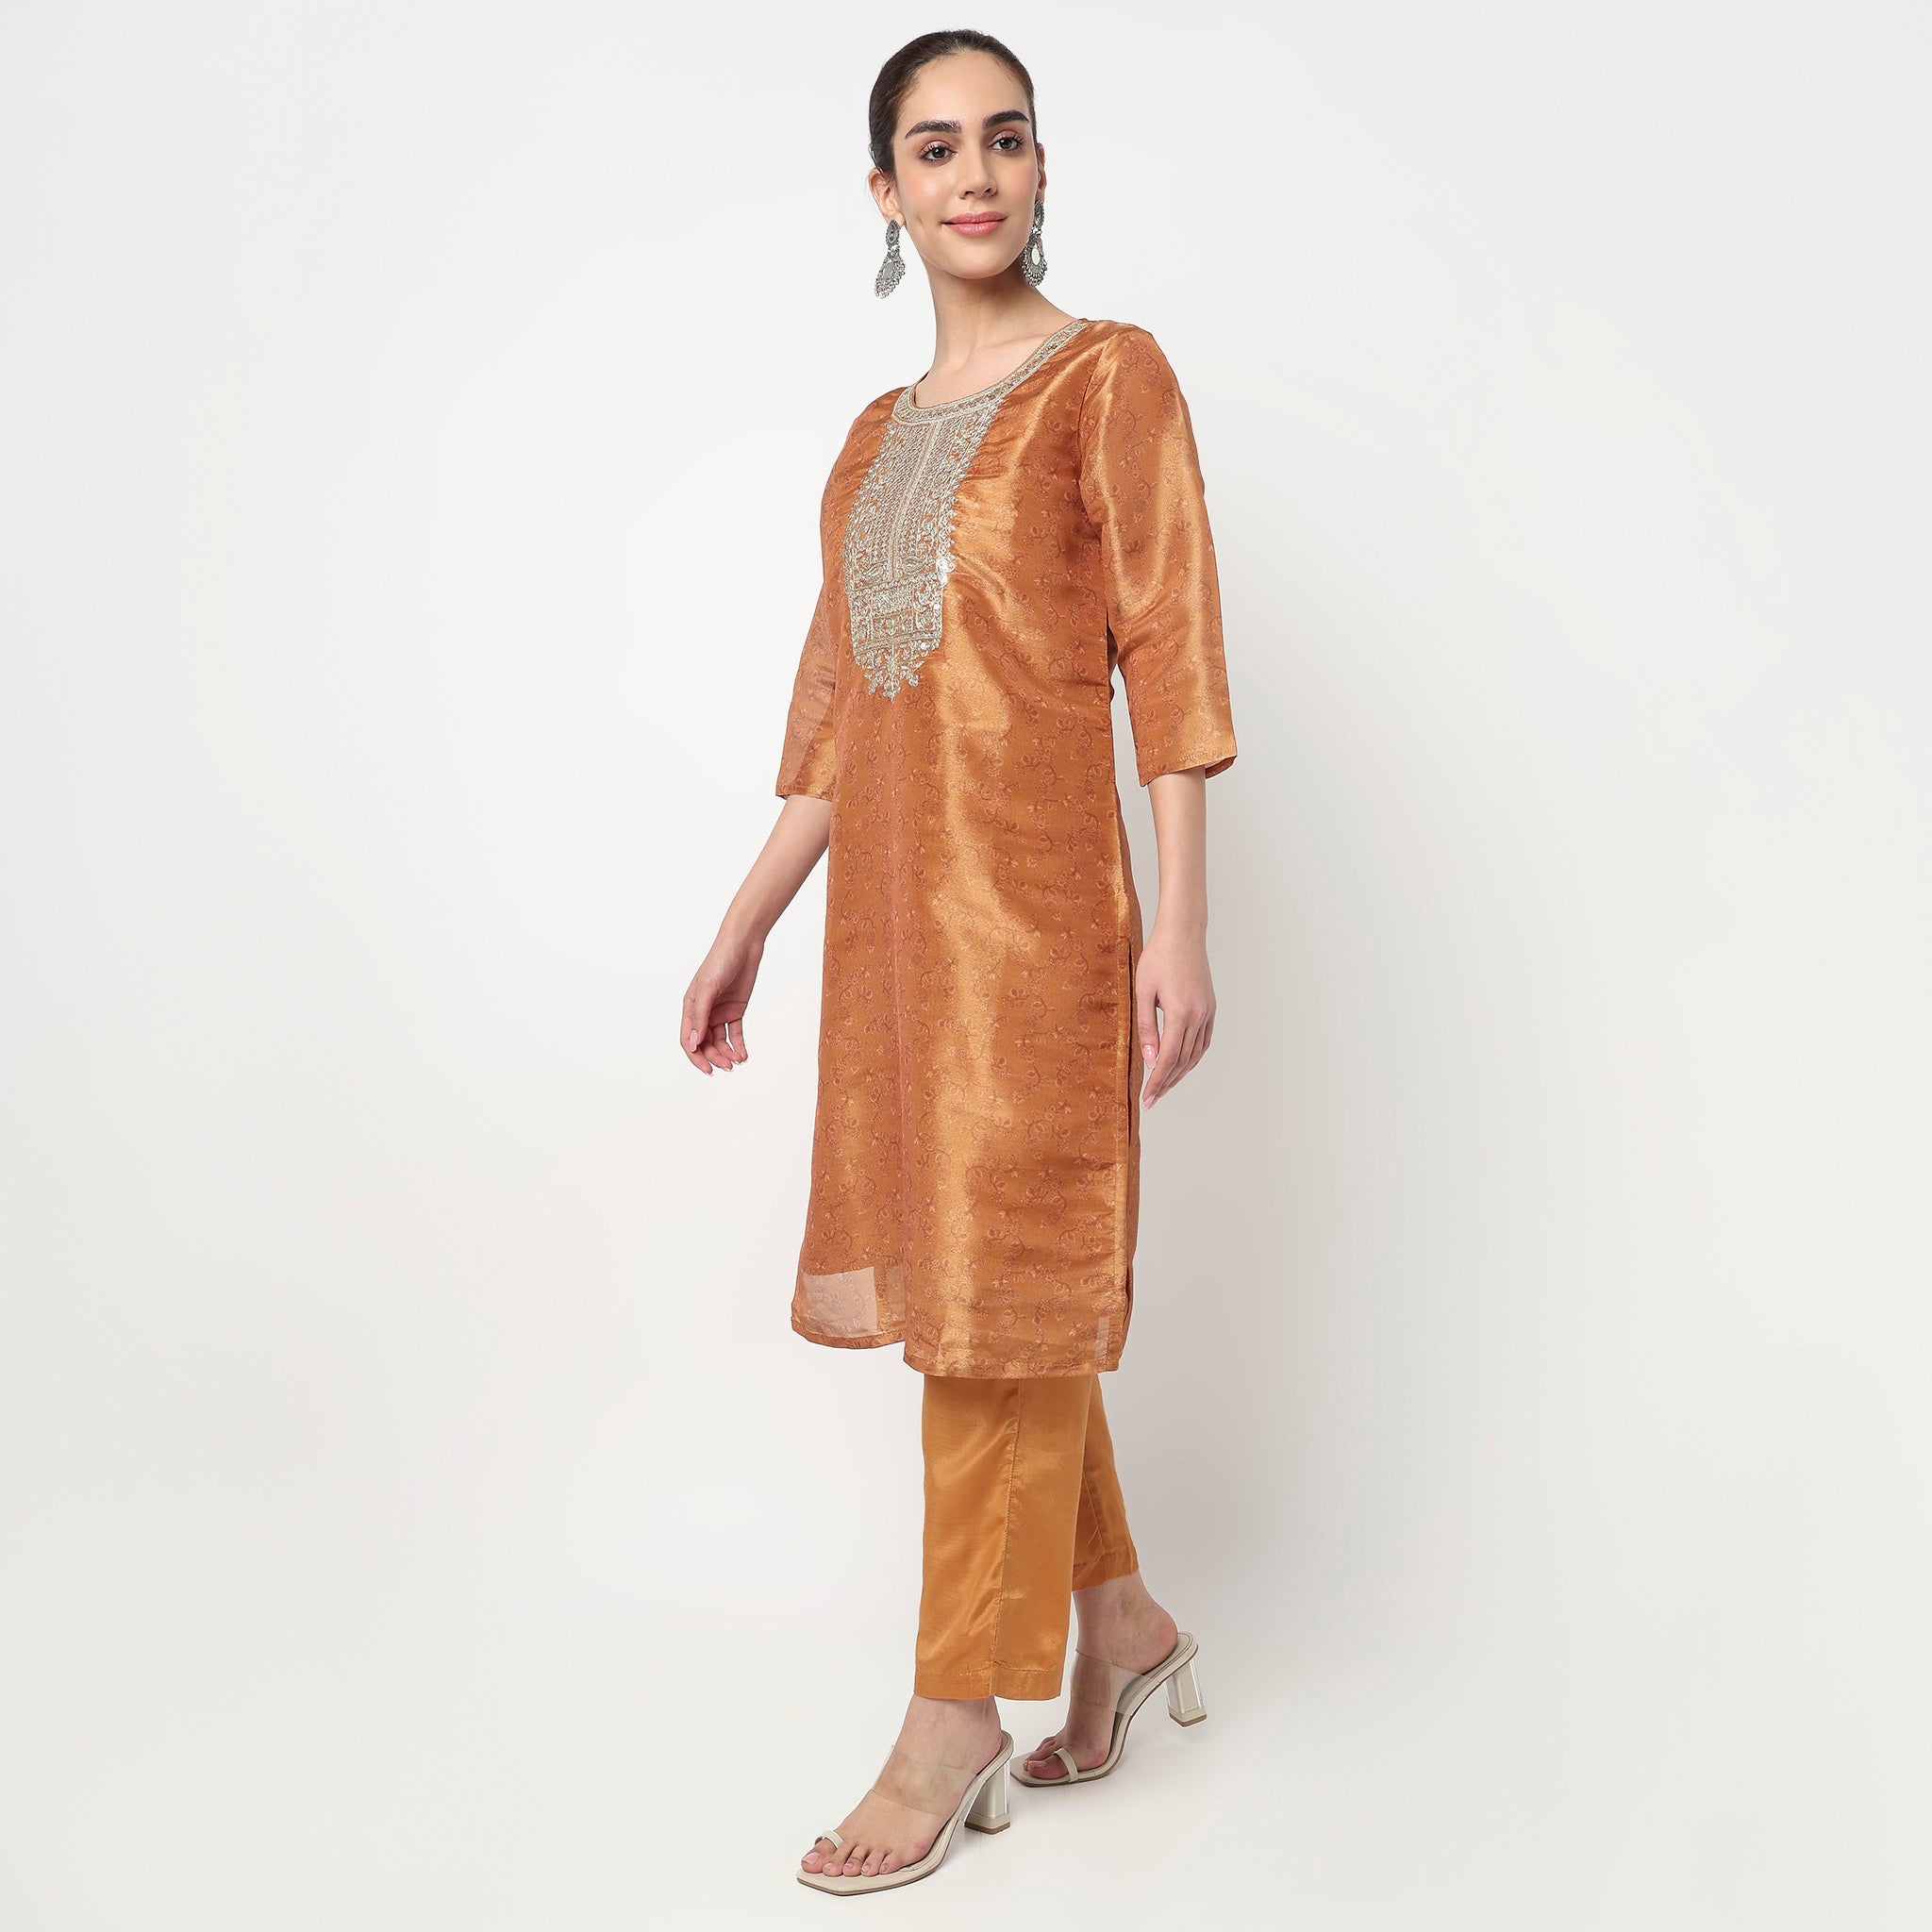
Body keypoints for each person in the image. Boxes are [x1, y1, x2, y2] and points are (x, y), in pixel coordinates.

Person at [680, 29, 1238, 1896]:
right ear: (886, 193)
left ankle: (951, 1712)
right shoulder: (872, 440)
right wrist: (748, 918)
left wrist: (1183, 921)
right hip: (896, 943)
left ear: (1040, 166)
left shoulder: (1108, 380)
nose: (975, 173)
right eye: (935, 149)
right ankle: (1125, 1624)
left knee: (1006, 1283)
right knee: (988, 1290)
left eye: (1004, 138)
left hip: (1043, 927)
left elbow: (1170, 649)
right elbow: (841, 709)